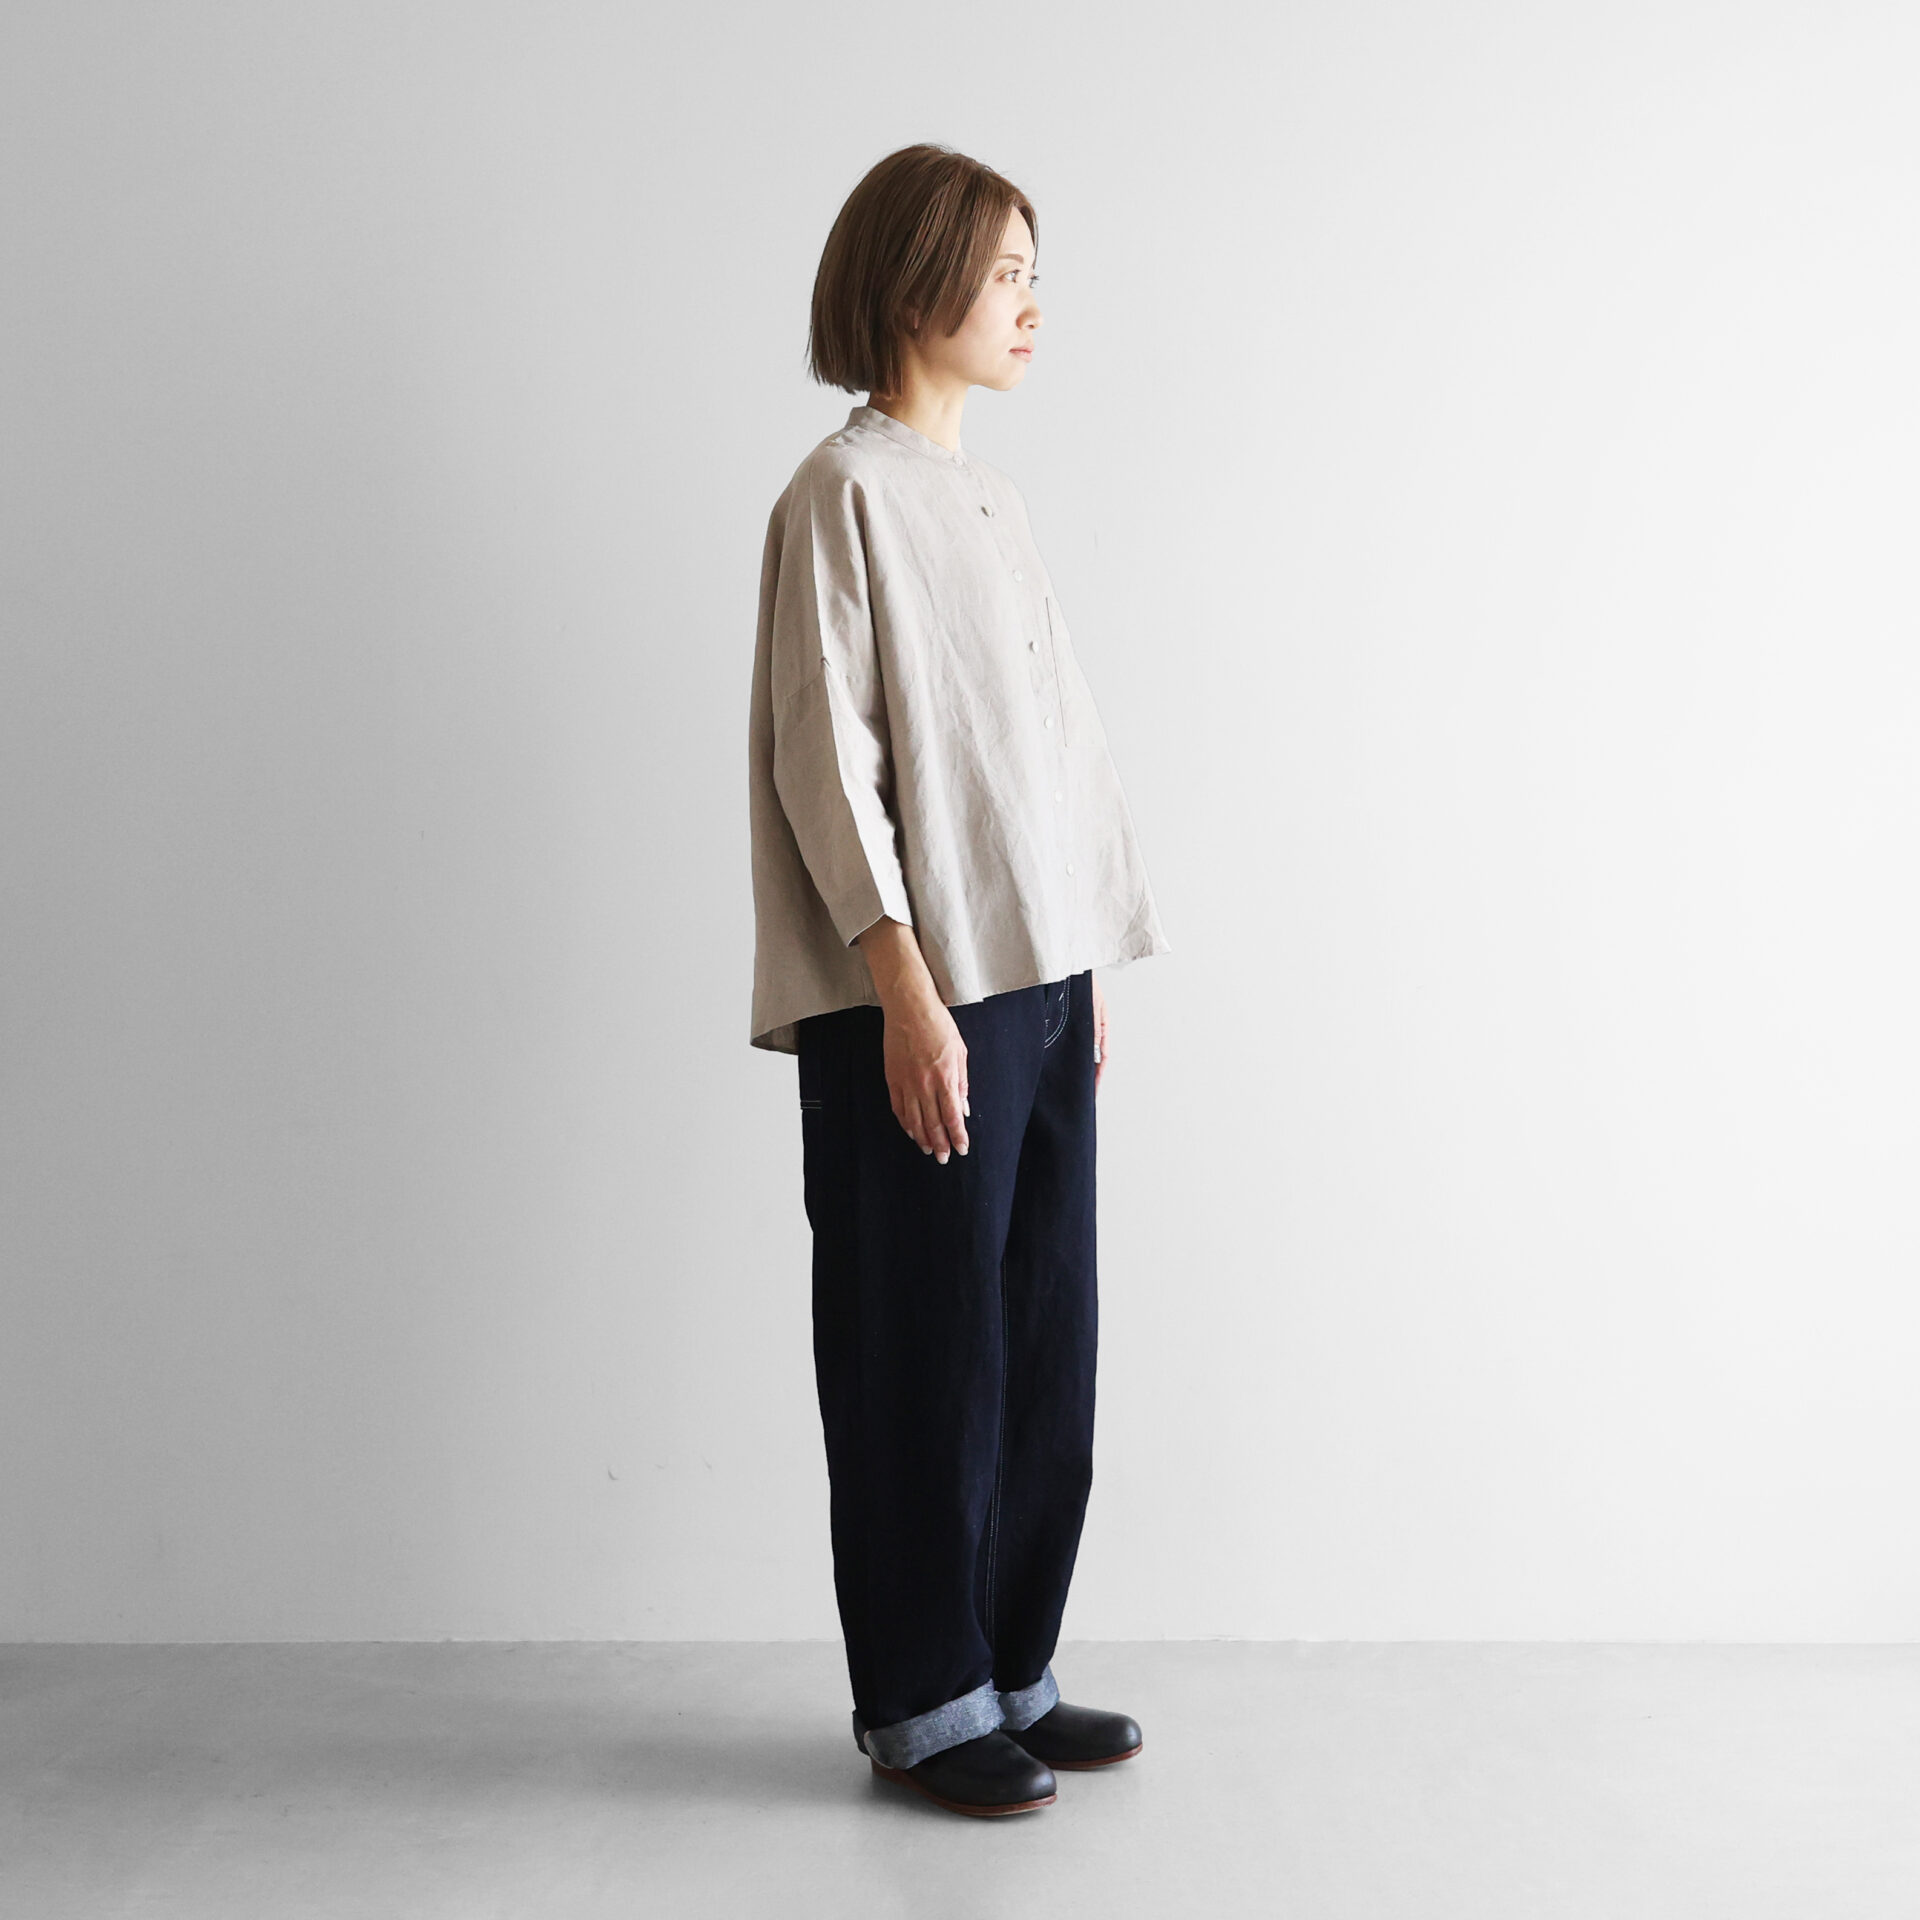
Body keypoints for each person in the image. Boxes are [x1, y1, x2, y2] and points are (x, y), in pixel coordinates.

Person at [746, 143, 1172, 1817]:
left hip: (1036, 983)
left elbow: (1050, 753)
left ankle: (1012, 1668)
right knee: (921, 1344)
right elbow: (824, 763)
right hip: (915, 991)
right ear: (914, 283)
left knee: (1043, 1339)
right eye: (1005, 275)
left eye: (1032, 275)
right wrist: (905, 987)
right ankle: (925, 1704)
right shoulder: (840, 496)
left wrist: (1077, 954)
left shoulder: (990, 500)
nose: (1030, 305)